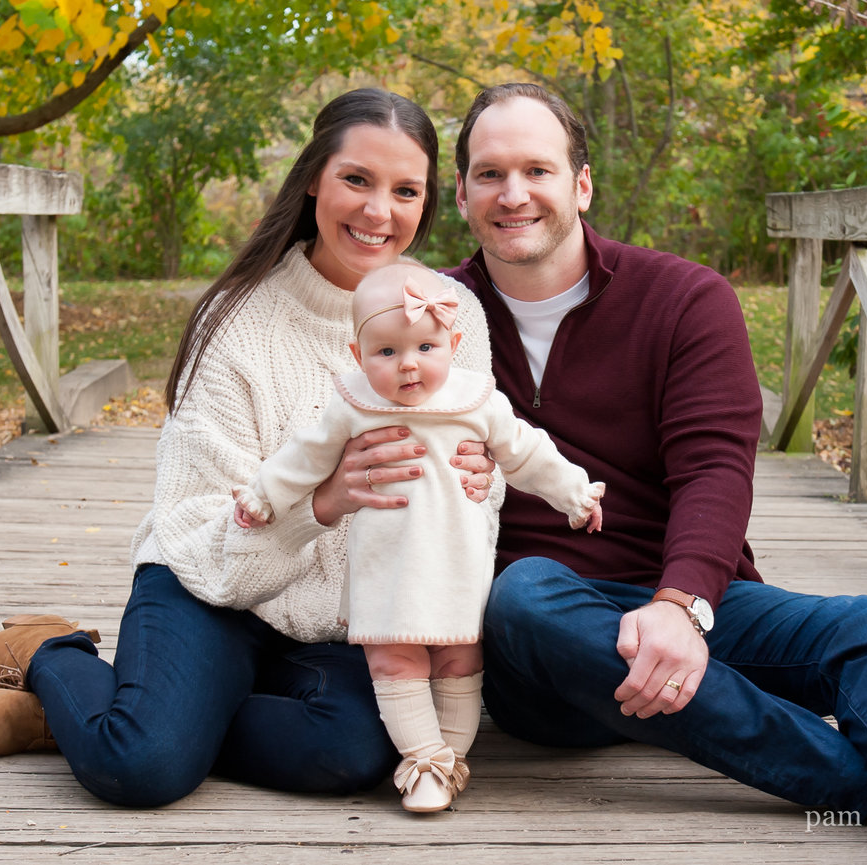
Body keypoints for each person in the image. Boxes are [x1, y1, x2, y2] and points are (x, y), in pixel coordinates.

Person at [445, 81, 867, 865]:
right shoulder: (430, 322)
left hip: (688, 600)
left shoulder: (684, 298)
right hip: (544, 649)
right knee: (522, 595)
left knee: (864, 625)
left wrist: (681, 605)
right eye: (489, 174)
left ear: (582, 185)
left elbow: (714, 469)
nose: (513, 194)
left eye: (538, 170)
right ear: (461, 193)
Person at [0, 88, 499, 807]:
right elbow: (202, 526)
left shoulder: (451, 315)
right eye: (357, 180)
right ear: (313, 179)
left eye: (406, 190)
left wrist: (482, 482)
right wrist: (323, 502)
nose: (379, 212)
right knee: (143, 763)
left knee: (354, 750)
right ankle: (46, 651)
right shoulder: (238, 320)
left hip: (342, 623)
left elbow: (479, 486)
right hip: (210, 584)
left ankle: (103, 712)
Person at [232, 260, 605, 812]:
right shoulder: (355, 403)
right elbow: (304, 454)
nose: (408, 366)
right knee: (394, 660)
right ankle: (423, 757)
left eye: (425, 348)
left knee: (459, 659)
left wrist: (575, 494)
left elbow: (528, 452)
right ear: (359, 357)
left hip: (454, 560)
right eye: (386, 352)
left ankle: (449, 760)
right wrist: (264, 494)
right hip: (387, 566)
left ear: (453, 342)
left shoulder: (477, 400)